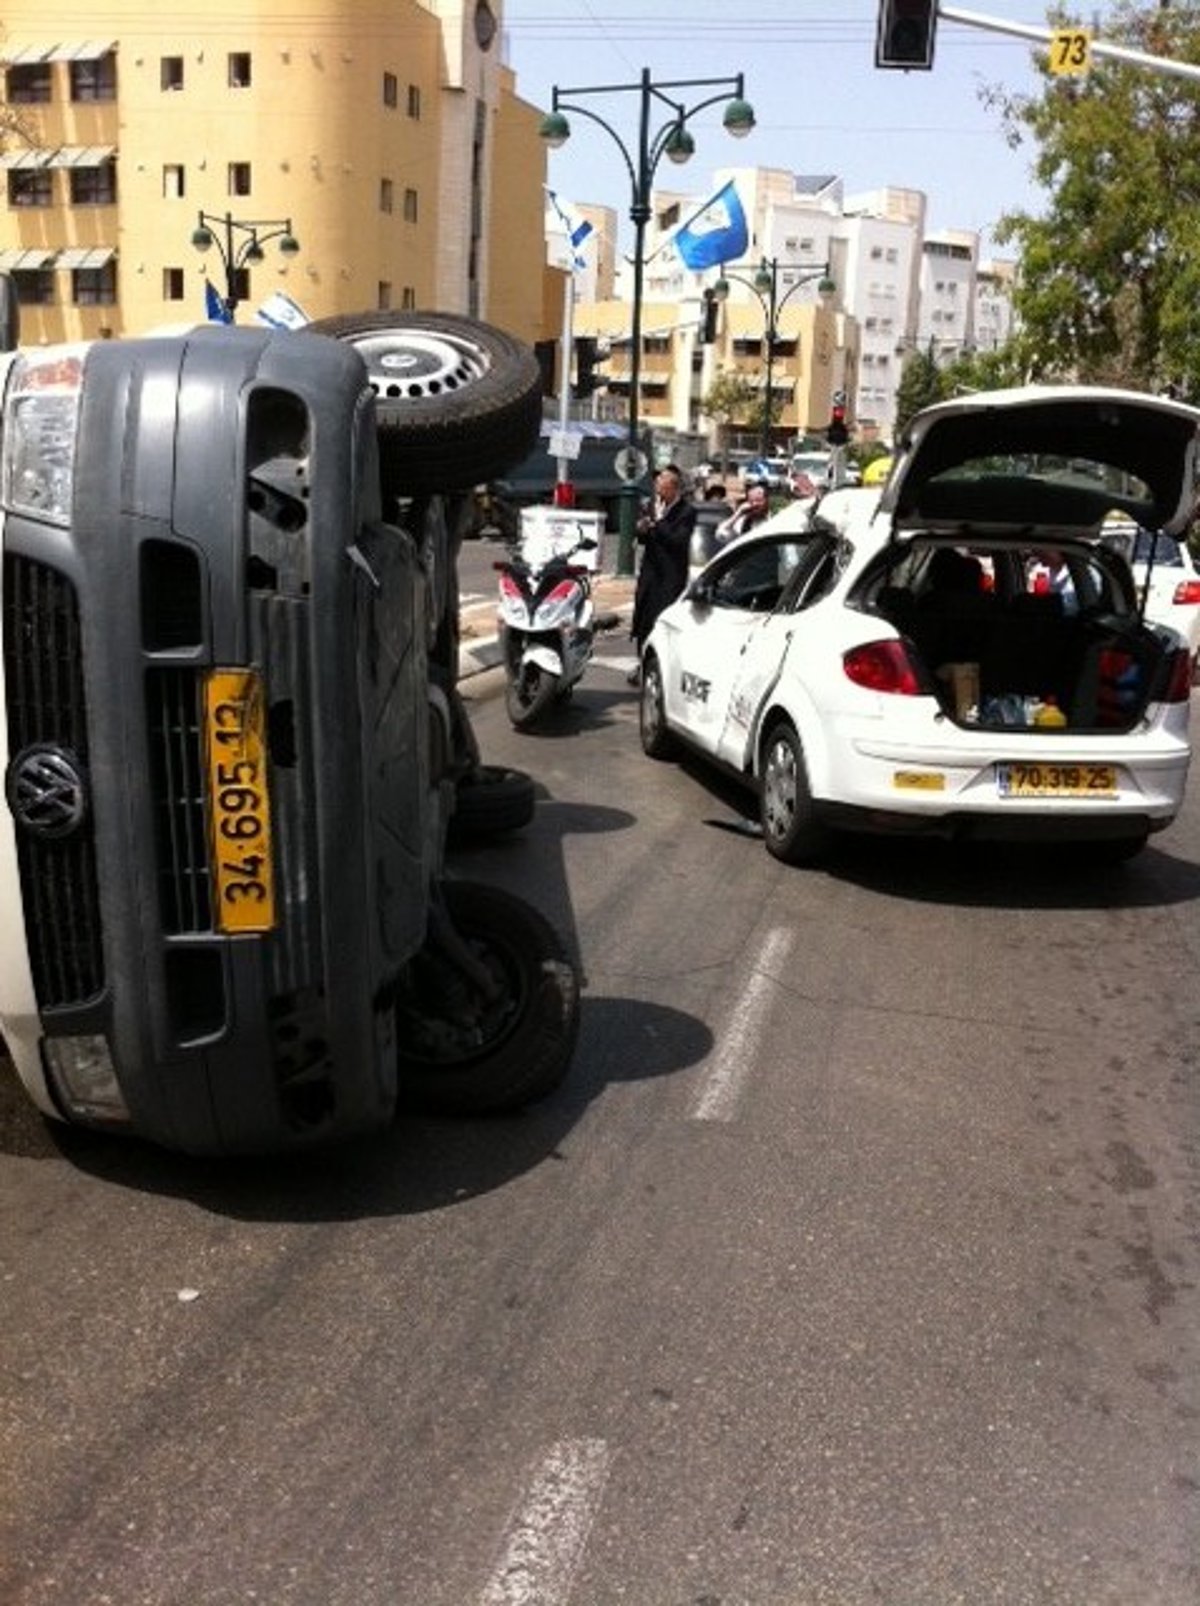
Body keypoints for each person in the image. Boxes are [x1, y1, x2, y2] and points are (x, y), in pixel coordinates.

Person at [628, 463, 696, 685]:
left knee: (661, 623)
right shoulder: (653, 507)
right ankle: (642, 664)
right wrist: (642, 528)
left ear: (672, 488)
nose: (658, 491)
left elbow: (677, 541)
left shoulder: (686, 511)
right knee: (644, 621)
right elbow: (644, 538)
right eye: (657, 486)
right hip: (649, 574)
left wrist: (658, 522)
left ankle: (661, 670)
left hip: (669, 579)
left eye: (661, 487)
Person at [715, 480, 771, 545]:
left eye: (758, 500)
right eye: (751, 501)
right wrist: (738, 513)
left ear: (767, 500)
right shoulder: (744, 522)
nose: (754, 504)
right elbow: (720, 535)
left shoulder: (774, 519)